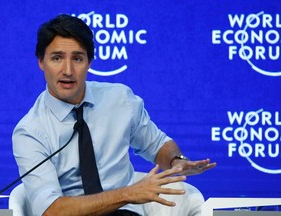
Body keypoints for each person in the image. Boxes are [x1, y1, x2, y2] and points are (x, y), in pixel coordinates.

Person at [12, 14, 216, 216]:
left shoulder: (119, 99)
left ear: (89, 62)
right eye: (57, 58)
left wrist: (175, 160)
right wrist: (128, 193)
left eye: (77, 58)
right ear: (41, 62)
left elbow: (157, 145)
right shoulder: (30, 132)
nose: (68, 70)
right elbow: (51, 211)